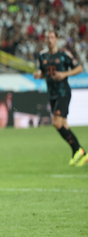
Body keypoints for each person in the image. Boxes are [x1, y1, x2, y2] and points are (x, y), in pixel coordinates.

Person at [33, 30, 87, 167]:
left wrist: (65, 74)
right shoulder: (42, 56)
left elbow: (79, 68)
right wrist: (39, 75)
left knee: (56, 123)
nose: (49, 40)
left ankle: (78, 150)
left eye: (52, 37)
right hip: (52, 94)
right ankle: (81, 153)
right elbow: (45, 73)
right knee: (63, 125)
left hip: (63, 93)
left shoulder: (64, 54)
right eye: (47, 37)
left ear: (57, 39)